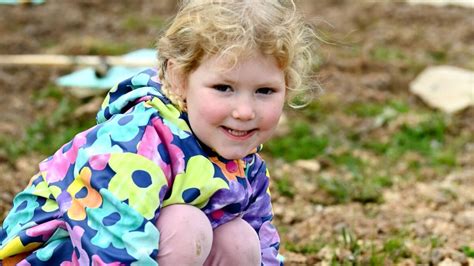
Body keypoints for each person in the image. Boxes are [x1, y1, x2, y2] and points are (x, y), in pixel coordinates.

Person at [0, 0, 317, 265]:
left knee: (240, 238)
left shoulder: (244, 159)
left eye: (265, 91)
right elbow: (111, 241)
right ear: (179, 79)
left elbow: (262, 242)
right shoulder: (140, 141)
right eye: (224, 88)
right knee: (186, 225)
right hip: (58, 253)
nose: (245, 111)